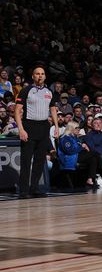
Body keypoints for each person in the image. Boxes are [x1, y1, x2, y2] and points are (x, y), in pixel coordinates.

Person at [14, 65, 60, 198]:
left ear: (45, 76)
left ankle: (34, 188)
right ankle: (23, 190)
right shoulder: (26, 90)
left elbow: (52, 110)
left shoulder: (49, 92)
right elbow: (17, 111)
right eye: (37, 74)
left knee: (40, 161)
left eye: (42, 73)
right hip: (29, 126)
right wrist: (21, 129)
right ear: (33, 76)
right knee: (26, 161)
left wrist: (56, 127)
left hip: (44, 128)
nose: (40, 76)